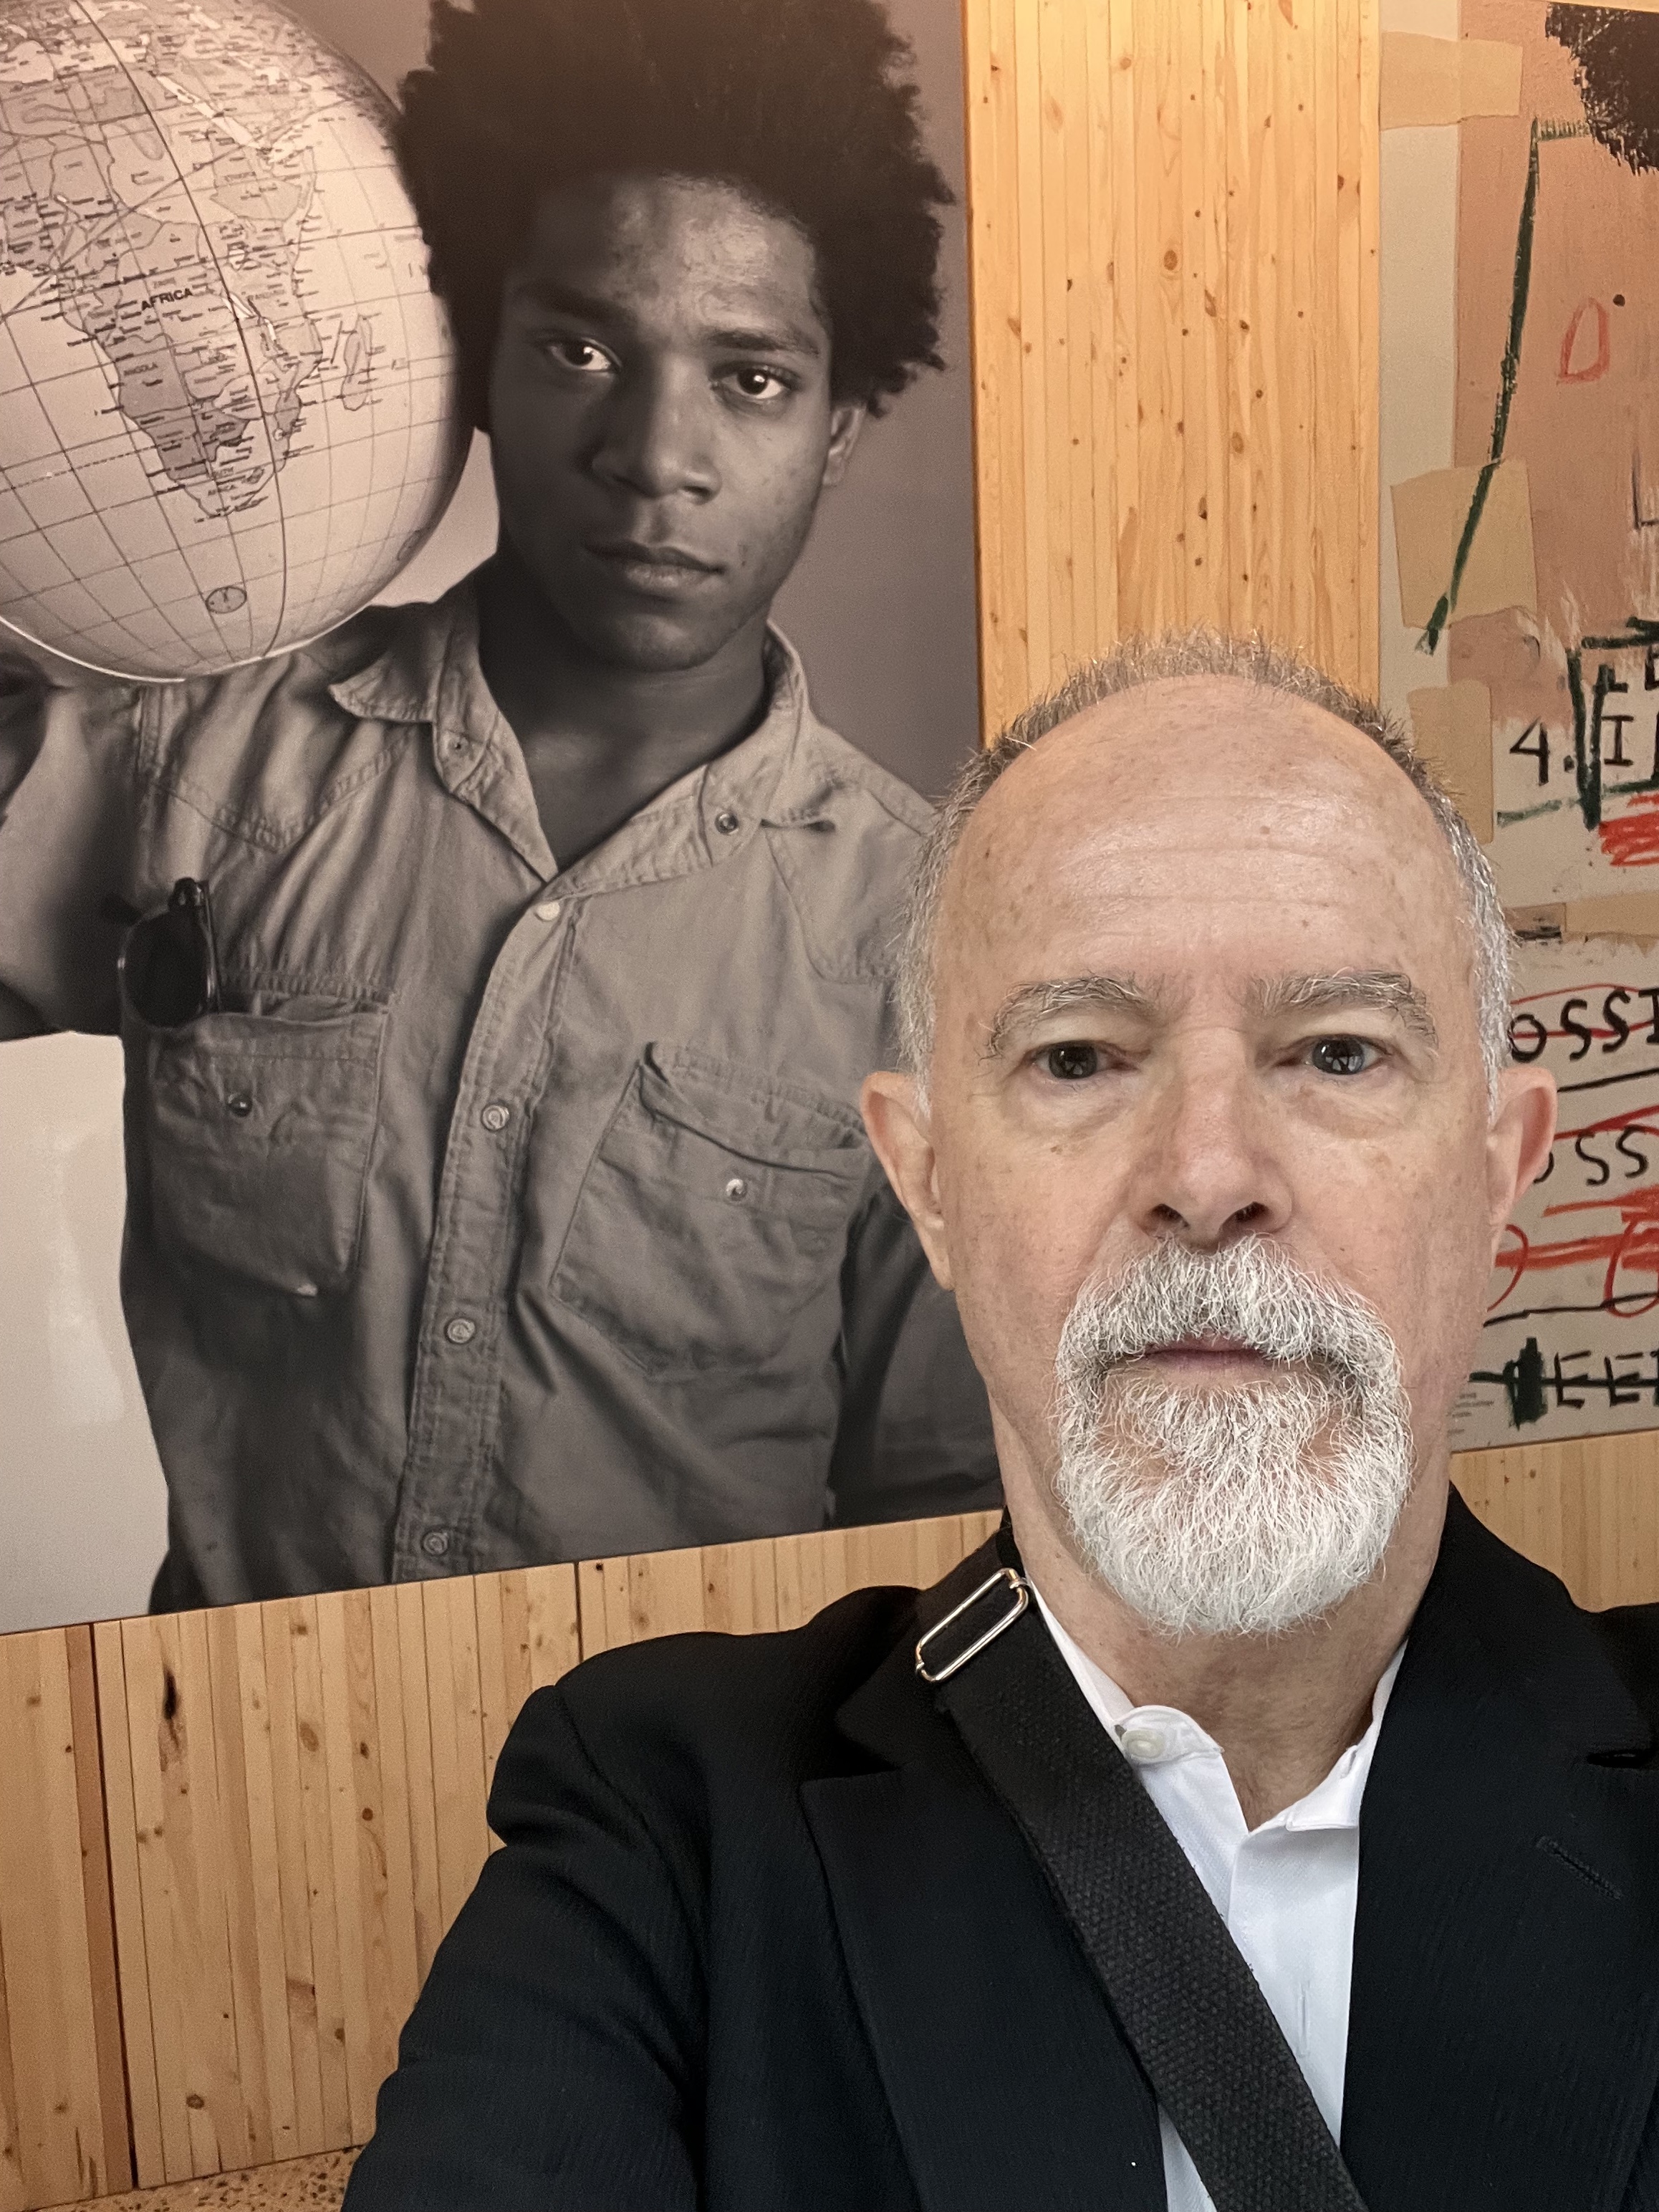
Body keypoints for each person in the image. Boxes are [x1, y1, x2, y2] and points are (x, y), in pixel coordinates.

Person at [343, 633, 1659, 2212]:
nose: (1208, 1175)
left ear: (1500, 1171)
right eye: (1078, 1056)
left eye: (1337, 1051)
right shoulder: (666, 1837)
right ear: (927, 1184)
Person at [0, 0, 998, 1609]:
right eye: (580, 351)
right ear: (475, 362)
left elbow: (938, 1511)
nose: (653, 455)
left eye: (750, 378)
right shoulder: (194, 760)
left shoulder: (927, 939)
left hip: (688, 1767)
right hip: (240, 1745)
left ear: (840, 428)